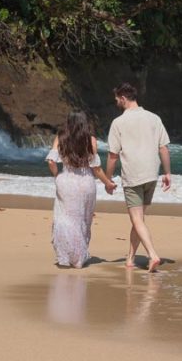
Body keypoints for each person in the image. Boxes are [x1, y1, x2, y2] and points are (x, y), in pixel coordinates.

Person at [105, 82, 171, 272]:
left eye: (117, 99)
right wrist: (167, 172)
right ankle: (130, 258)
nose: (116, 102)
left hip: (133, 175)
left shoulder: (118, 123)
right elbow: (163, 148)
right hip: (151, 173)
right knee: (139, 219)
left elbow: (112, 155)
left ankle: (152, 255)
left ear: (123, 98)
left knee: (137, 219)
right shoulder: (154, 118)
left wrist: (108, 179)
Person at [46, 112, 116, 268]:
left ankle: (66, 255)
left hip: (66, 181)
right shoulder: (90, 140)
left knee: (64, 218)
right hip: (85, 182)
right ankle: (78, 257)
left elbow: (51, 161)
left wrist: (58, 174)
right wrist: (108, 183)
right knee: (83, 219)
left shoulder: (61, 138)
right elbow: (96, 168)